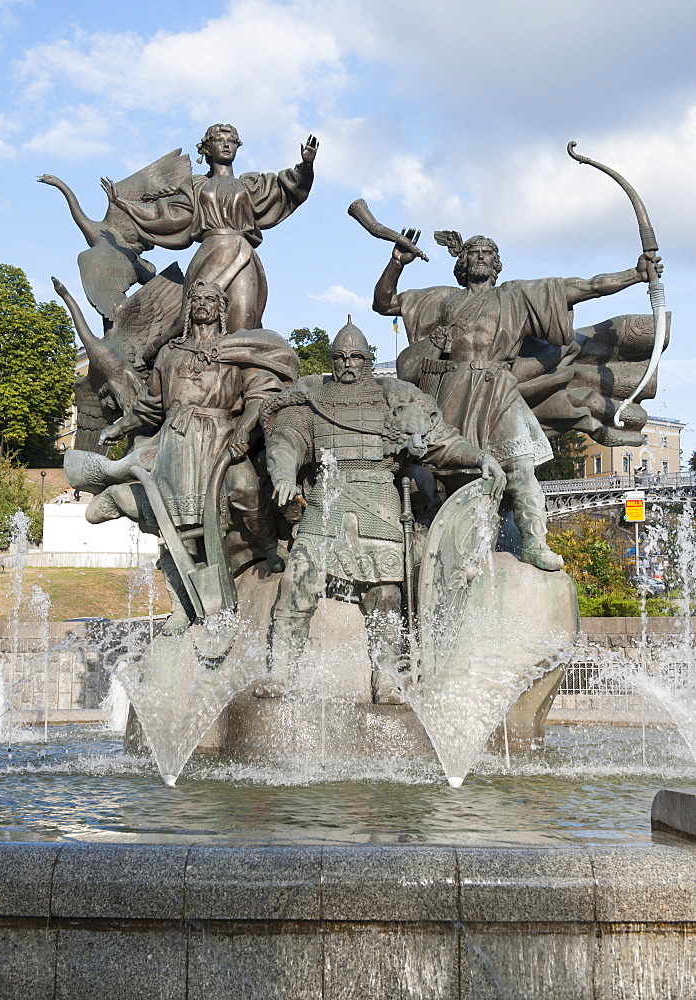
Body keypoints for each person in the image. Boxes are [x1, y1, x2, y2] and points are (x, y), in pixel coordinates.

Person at [373, 232, 663, 571]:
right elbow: (384, 302)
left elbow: (585, 287)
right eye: (473, 253)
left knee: (521, 469)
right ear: (461, 263)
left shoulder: (517, 297)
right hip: (450, 389)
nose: (480, 257)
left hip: (498, 390)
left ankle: (534, 543)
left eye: (487, 253)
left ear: (496, 264)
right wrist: (396, 262)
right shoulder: (442, 299)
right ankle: (433, 552)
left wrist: (636, 273)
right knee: (441, 475)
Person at [260, 319, 505, 703]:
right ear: (332, 360)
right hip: (328, 501)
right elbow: (286, 441)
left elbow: (440, 442)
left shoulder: (395, 397)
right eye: (340, 357)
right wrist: (286, 472)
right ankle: (281, 672)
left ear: (368, 359)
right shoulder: (311, 401)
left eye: (356, 356)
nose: (347, 364)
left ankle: (387, 679)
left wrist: (479, 457)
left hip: (381, 505)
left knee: (387, 597)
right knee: (296, 581)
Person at [99, 278, 299, 633]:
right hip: (177, 442)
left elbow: (260, 394)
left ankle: (270, 546)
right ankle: (180, 606)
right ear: (188, 308)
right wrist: (123, 426)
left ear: (221, 310)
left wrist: (244, 429)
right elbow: (154, 406)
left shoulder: (234, 351)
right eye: (197, 299)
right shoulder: (169, 354)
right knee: (173, 526)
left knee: (246, 489)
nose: (204, 304)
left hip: (221, 435)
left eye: (211, 300)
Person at [101, 124, 318, 350]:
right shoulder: (196, 186)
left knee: (243, 326)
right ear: (207, 148)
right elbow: (167, 215)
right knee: (195, 322)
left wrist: (307, 165)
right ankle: (165, 356)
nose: (226, 145)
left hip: (242, 256)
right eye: (219, 140)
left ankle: (244, 378)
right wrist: (124, 204)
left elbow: (288, 188)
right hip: (209, 255)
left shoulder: (251, 184)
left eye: (232, 141)